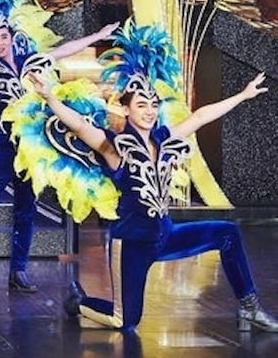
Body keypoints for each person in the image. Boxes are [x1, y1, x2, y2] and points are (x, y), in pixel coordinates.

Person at [25, 33, 278, 332]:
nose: (150, 111)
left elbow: (199, 117)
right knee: (126, 322)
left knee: (228, 233)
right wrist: (50, 97)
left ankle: (249, 307)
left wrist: (243, 95)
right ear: (126, 109)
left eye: (154, 105)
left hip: (165, 235)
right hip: (131, 243)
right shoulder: (115, 147)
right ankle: (78, 302)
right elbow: (80, 125)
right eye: (142, 105)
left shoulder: (163, 138)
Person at [0, 16, 119, 292]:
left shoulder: (29, 62)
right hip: (4, 146)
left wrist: (97, 35)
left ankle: (18, 271)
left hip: (31, 148)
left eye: (3, 37)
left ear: (11, 38)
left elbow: (64, 50)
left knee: (26, 209)